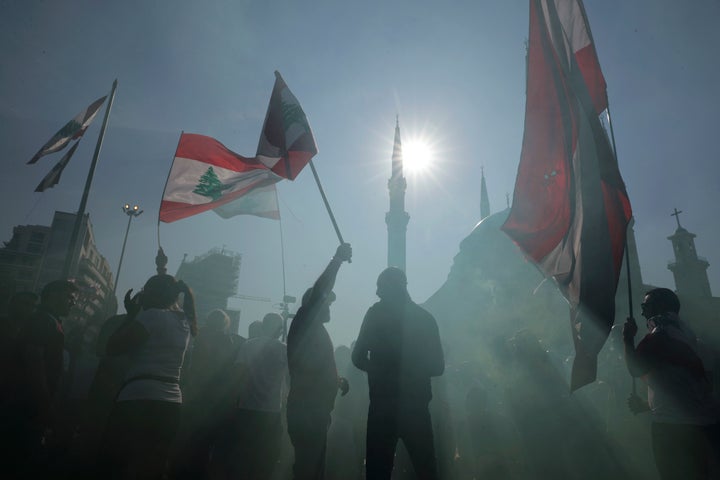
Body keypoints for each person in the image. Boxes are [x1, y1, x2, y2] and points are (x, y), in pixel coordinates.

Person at [99, 274, 196, 480]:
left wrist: (130, 315)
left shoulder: (151, 316)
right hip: (171, 401)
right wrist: (162, 268)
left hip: (139, 395)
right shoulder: (185, 323)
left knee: (120, 460)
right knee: (154, 463)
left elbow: (112, 347)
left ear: (152, 293)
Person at [352, 267, 445, 480]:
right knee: (427, 471)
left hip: (382, 409)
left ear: (392, 288)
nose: (377, 293)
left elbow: (357, 357)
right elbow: (438, 366)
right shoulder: (425, 318)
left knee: (377, 472)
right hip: (416, 409)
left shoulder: (375, 315)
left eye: (380, 287)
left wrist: (379, 371)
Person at [623, 288, 719, 480]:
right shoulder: (694, 339)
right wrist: (647, 405)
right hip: (708, 427)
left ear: (659, 306)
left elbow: (635, 369)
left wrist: (627, 338)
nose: (642, 312)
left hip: (672, 431)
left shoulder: (660, 336)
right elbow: (689, 389)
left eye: (645, 306)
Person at [286, 243, 352, 480]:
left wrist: (336, 380)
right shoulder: (305, 320)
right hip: (307, 411)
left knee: (312, 467)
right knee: (309, 468)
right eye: (327, 302)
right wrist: (337, 260)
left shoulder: (314, 332)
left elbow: (312, 366)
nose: (330, 305)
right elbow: (320, 289)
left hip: (314, 410)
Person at [1, 281, 76, 477]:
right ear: (53, 295)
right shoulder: (44, 320)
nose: (73, 302)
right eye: (69, 297)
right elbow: (34, 361)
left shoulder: (50, 321)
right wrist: (45, 405)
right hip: (25, 406)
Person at [172, 309, 239, 479]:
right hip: (215, 398)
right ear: (225, 323)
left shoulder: (197, 336)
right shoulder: (227, 341)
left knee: (188, 438)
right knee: (208, 442)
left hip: (194, 392)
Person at [232, 312, 288, 479]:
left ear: (263, 326)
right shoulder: (283, 350)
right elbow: (291, 379)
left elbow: (237, 375)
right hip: (271, 412)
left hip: (246, 408)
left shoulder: (248, 345)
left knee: (244, 457)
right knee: (267, 459)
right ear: (279, 330)